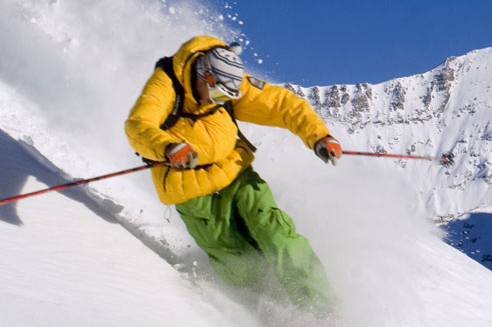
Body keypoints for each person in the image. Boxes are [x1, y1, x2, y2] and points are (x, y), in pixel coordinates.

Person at [125, 35, 342, 312]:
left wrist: (320, 136)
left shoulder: (229, 80)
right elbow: (138, 125)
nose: (222, 101)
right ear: (205, 77)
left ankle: (322, 311)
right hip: (191, 190)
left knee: (275, 234)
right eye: (219, 95)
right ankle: (268, 310)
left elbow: (282, 104)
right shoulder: (165, 85)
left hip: (236, 172)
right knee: (238, 263)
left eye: (229, 97)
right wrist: (168, 147)